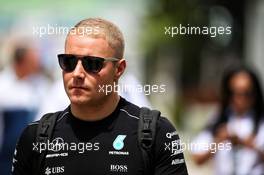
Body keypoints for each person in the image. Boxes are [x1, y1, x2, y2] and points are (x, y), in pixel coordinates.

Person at [12, 18, 188, 175]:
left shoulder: (156, 133)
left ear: (119, 70)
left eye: (92, 64)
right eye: (69, 62)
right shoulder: (35, 136)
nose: (77, 73)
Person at [191, 66, 264, 175]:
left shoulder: (260, 120)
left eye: (246, 93)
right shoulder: (219, 118)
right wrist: (218, 141)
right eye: (234, 93)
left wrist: (252, 145)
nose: (240, 99)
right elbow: (197, 158)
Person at [0, 45, 48, 175]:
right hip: (5, 158)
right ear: (21, 62)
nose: (37, 65)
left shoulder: (40, 84)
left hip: (32, 154)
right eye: (33, 61)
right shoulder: (3, 85)